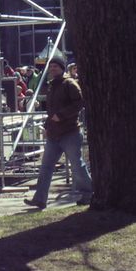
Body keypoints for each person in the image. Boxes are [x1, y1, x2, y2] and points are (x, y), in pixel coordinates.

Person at [25, 51, 93, 209]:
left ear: (62, 68)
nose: (53, 69)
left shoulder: (70, 84)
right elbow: (51, 111)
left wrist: (61, 116)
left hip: (70, 132)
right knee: (46, 167)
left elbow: (79, 103)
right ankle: (40, 199)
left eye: (56, 66)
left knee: (77, 165)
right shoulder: (52, 85)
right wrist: (48, 126)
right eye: (51, 66)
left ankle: (89, 194)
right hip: (54, 134)